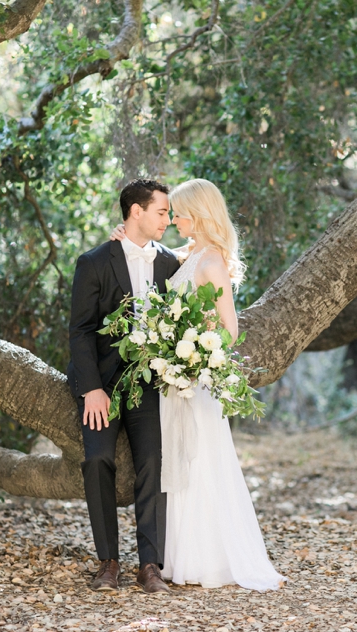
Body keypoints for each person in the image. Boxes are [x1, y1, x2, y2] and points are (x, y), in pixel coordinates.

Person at [112, 178, 285, 591]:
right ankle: (175, 557)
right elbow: (148, 258)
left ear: (198, 212)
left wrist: (192, 354)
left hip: (193, 377)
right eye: (169, 213)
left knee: (200, 459)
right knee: (176, 463)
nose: (172, 219)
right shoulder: (186, 256)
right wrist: (122, 238)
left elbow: (229, 328)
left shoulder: (212, 264)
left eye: (178, 212)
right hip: (173, 380)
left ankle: (210, 559)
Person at [67, 179, 180, 594]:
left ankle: (150, 564)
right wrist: (92, 388)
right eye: (162, 212)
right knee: (98, 461)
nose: (167, 220)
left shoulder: (171, 264)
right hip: (102, 382)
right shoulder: (94, 262)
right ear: (136, 212)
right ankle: (108, 562)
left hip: (148, 384)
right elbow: (79, 332)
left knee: (153, 461)